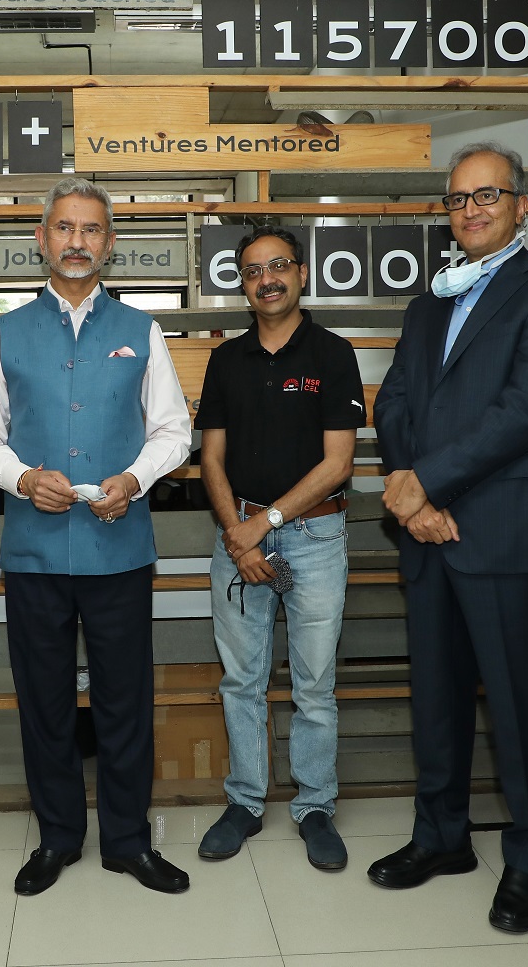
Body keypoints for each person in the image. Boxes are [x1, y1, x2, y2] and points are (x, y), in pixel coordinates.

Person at [370, 143, 528, 933]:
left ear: (520, 205)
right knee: (435, 701)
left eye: (488, 195)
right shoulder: (429, 302)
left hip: (505, 532)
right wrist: (407, 491)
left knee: (523, 706)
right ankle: (442, 839)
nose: (471, 208)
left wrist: (424, 483)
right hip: (427, 533)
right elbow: (392, 403)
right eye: (459, 198)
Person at [0, 177, 192, 895]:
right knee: (45, 701)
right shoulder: (5, 332)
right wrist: (24, 477)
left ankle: (127, 840)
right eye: (64, 228)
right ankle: (58, 836)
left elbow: (173, 431)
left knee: (125, 701)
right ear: (42, 238)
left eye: (91, 230)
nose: (77, 242)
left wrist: (136, 478)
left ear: (110, 244)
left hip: (119, 548)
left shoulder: (141, 331)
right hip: (33, 550)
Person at [192, 225, 364, 870]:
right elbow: (211, 457)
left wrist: (261, 523)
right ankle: (244, 802)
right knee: (242, 680)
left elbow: (339, 462)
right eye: (254, 270)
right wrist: (239, 535)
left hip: (315, 536)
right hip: (236, 537)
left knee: (314, 685)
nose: (268, 279)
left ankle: (315, 806)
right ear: (242, 284)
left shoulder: (333, 354)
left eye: (280, 266)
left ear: (301, 273)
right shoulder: (226, 360)